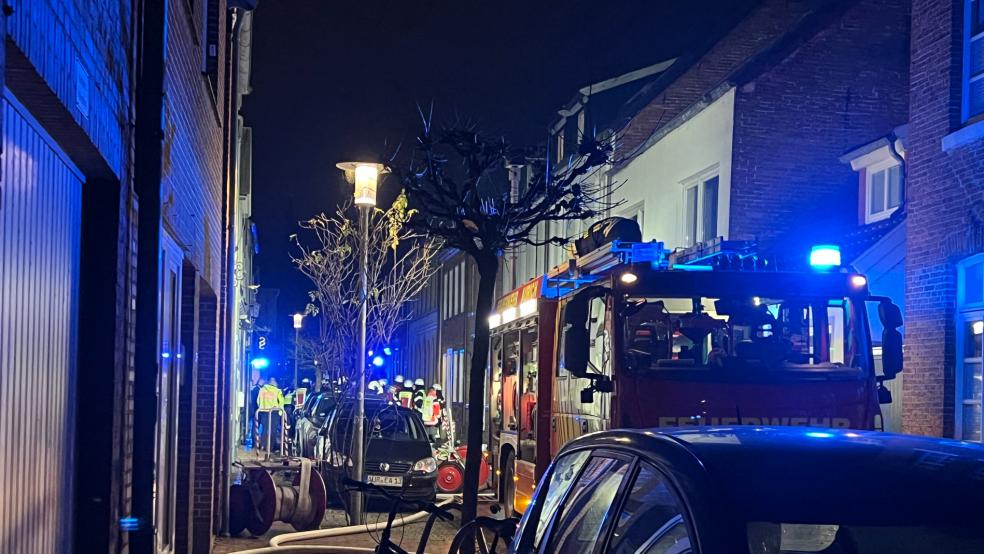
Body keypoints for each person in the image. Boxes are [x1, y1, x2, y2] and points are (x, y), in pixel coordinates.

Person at [257, 376, 286, 453]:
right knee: (273, 430)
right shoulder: (277, 391)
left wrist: (261, 407)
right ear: (274, 383)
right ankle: (271, 447)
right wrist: (280, 412)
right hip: (274, 412)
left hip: (264, 411)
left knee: (264, 429)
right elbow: (281, 402)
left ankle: (263, 445)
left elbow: (258, 400)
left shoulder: (262, 390)